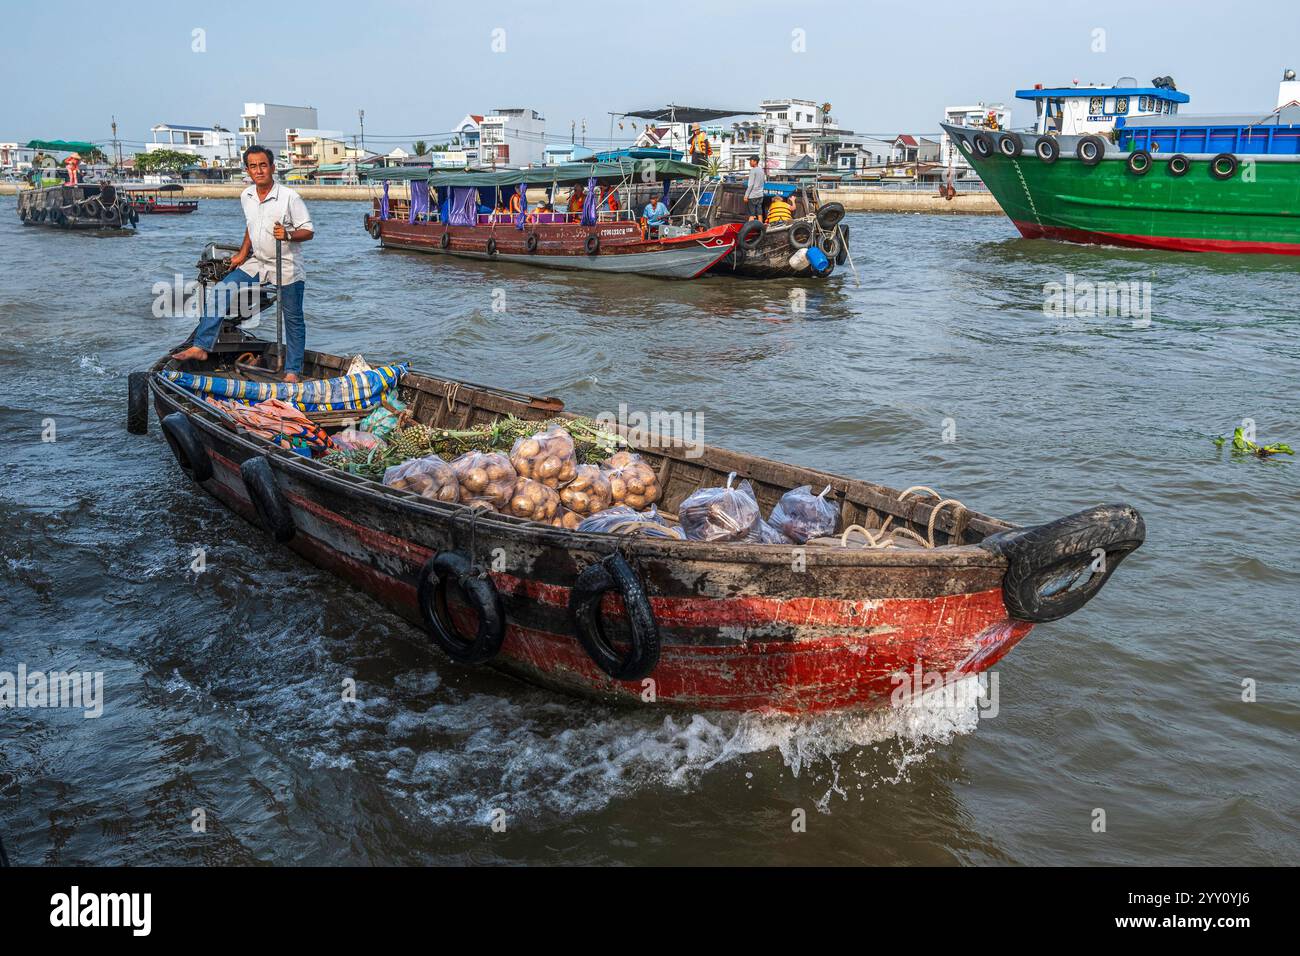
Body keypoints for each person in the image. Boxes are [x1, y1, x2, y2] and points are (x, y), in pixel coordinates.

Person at [172, 145, 314, 382]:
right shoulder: (246, 195)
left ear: (272, 167)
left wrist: (288, 235)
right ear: (248, 170)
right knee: (221, 290)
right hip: (258, 261)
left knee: (293, 318)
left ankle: (292, 370)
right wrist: (242, 254)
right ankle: (202, 346)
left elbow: (308, 231)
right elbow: (251, 226)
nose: (259, 171)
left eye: (263, 165)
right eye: (253, 166)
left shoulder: (290, 197)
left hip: (286, 263)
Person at [743, 155, 766, 221]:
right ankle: (761, 229)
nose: (749, 162)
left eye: (751, 161)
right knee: (759, 213)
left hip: (753, 195)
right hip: (760, 195)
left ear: (755, 162)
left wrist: (746, 196)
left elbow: (750, 185)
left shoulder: (753, 171)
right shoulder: (762, 171)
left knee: (751, 214)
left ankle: (750, 229)